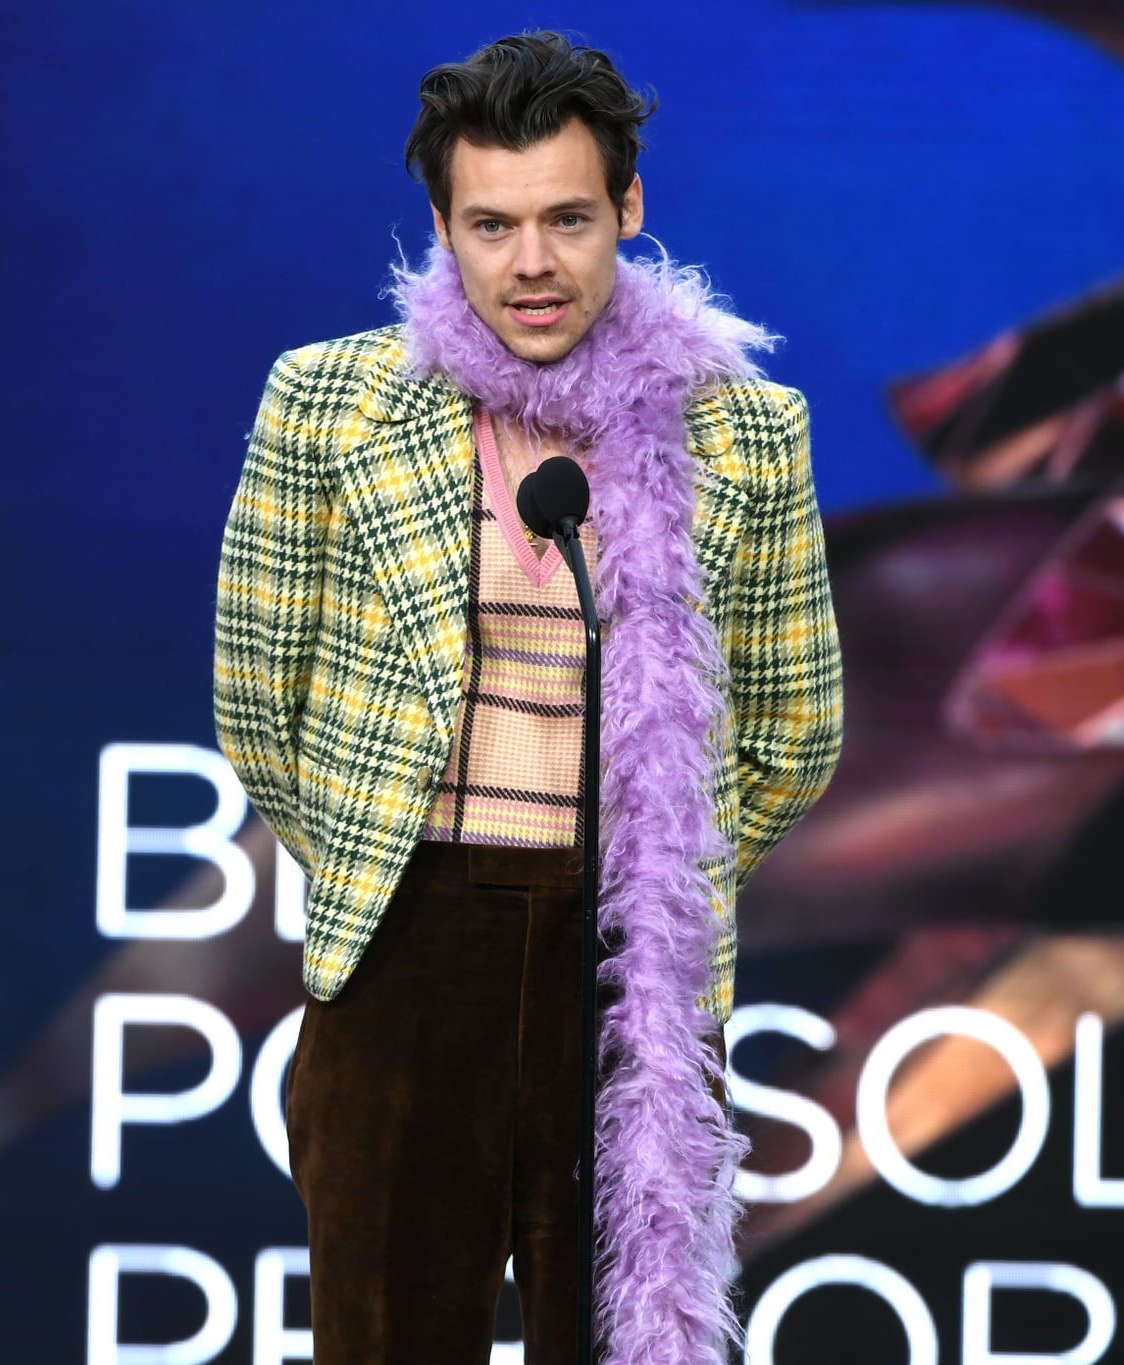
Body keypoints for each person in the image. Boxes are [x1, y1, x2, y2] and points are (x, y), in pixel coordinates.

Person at [213, 31, 841, 1364]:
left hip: (628, 963)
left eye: (566, 216)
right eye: (490, 225)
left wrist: (656, 865)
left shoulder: (745, 429)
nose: (532, 262)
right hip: (407, 941)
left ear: (628, 207)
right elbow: (259, 706)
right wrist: (394, 851)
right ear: (442, 227)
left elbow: (795, 728)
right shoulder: (326, 406)